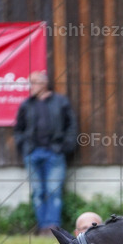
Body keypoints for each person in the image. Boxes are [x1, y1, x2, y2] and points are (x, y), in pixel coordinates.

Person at [14, 71, 77, 235]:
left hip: (54, 153)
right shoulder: (26, 105)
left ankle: (53, 227)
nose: (30, 87)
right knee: (38, 192)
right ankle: (43, 228)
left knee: (53, 191)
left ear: (44, 84)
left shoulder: (60, 102)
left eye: (33, 83)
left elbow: (71, 126)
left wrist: (65, 147)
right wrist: (24, 147)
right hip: (33, 154)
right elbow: (18, 129)